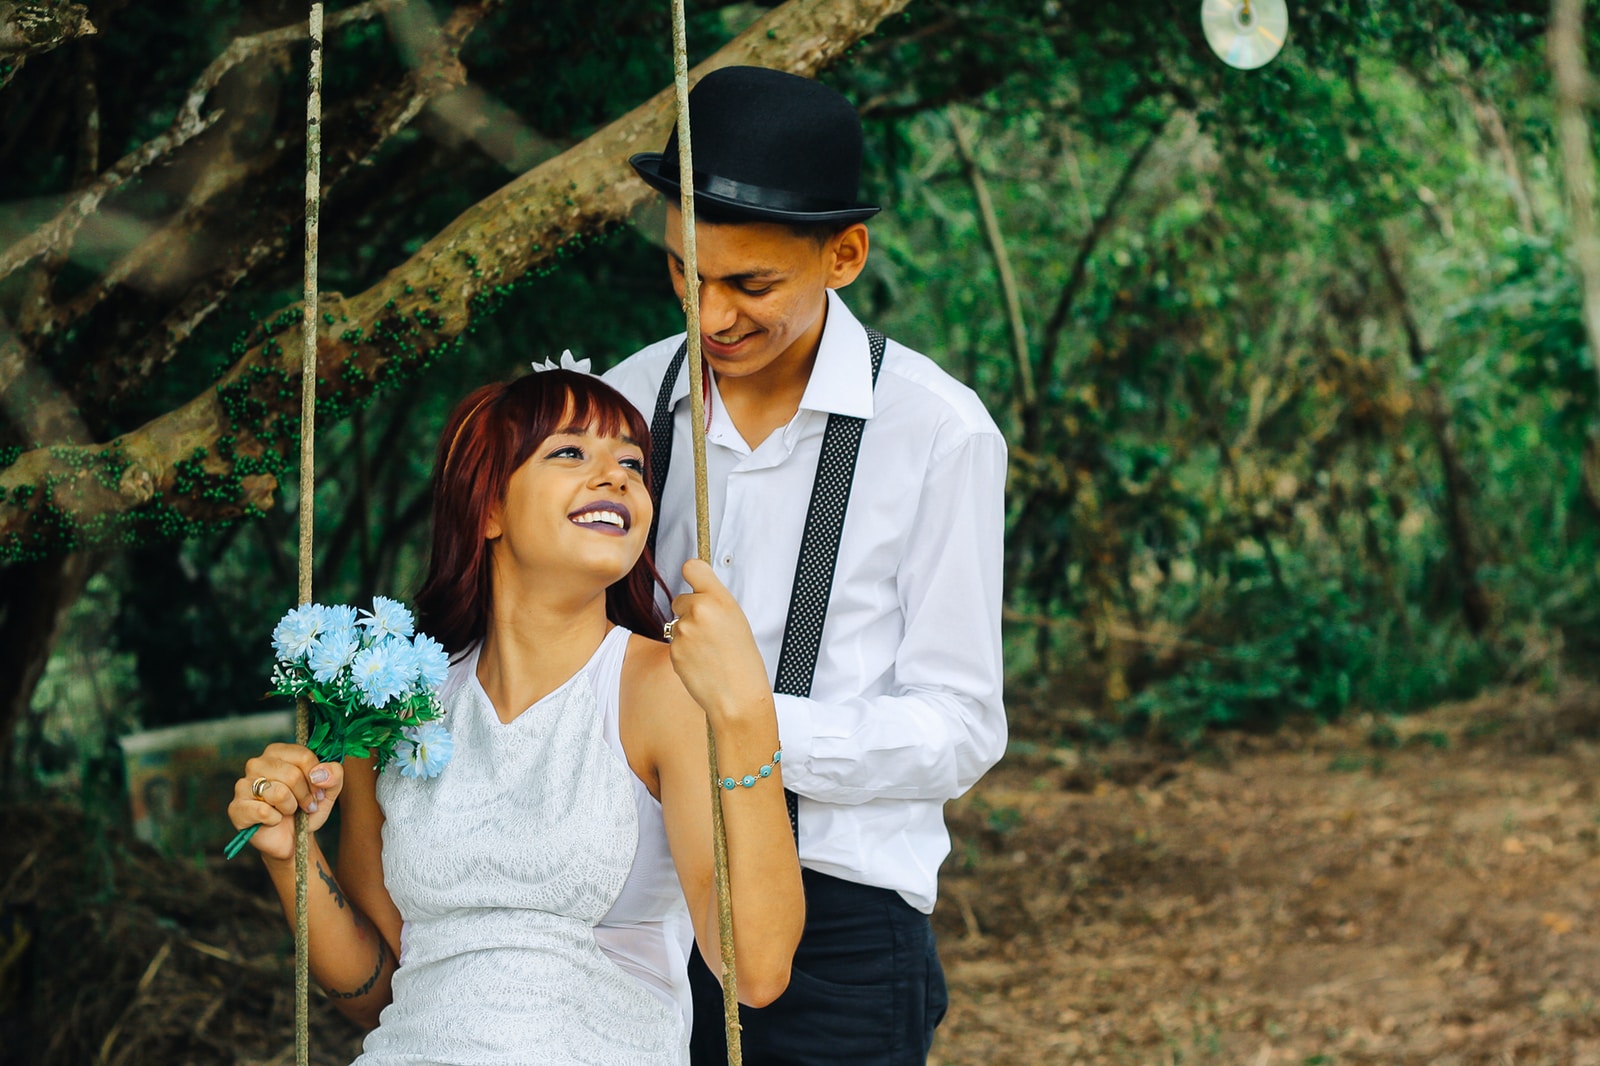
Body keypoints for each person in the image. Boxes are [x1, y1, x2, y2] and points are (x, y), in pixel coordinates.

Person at [226, 367, 804, 1065]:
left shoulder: (663, 688)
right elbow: (375, 991)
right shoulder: (396, 705)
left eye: (631, 462)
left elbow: (759, 972)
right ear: (488, 507)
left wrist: (746, 716)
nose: (616, 476)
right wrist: (290, 853)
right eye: (570, 453)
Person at [606, 65, 1008, 1065]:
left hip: (840, 915)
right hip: (631, 907)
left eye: (749, 284)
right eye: (683, 274)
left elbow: (962, 728)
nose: (709, 318)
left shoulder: (938, 431)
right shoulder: (622, 401)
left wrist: (752, 723)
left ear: (845, 254)